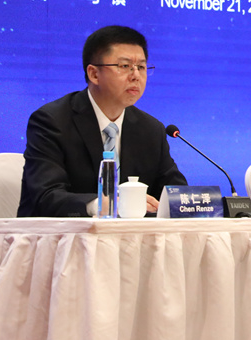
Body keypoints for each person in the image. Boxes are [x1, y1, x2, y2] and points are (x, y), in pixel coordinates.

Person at [18, 25, 187, 217]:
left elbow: (176, 195)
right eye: (125, 66)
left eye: (141, 67)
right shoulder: (52, 121)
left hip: (132, 235)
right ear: (94, 74)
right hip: (60, 234)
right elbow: (46, 196)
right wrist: (102, 205)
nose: (136, 76)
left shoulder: (151, 130)